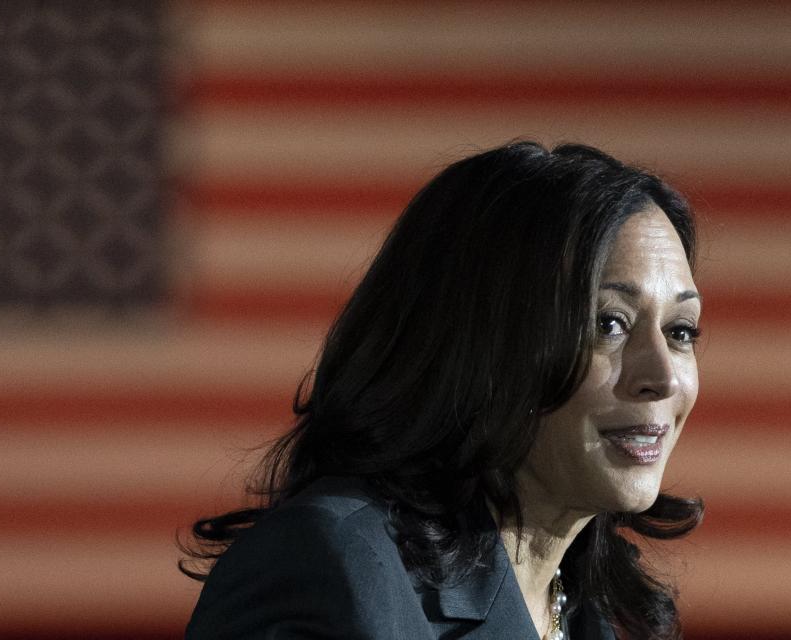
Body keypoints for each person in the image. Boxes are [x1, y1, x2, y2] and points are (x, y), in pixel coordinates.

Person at [181, 141, 704, 639]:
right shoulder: (329, 569)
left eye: (680, 331)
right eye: (610, 324)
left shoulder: (590, 610)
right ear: (483, 341)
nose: (662, 376)